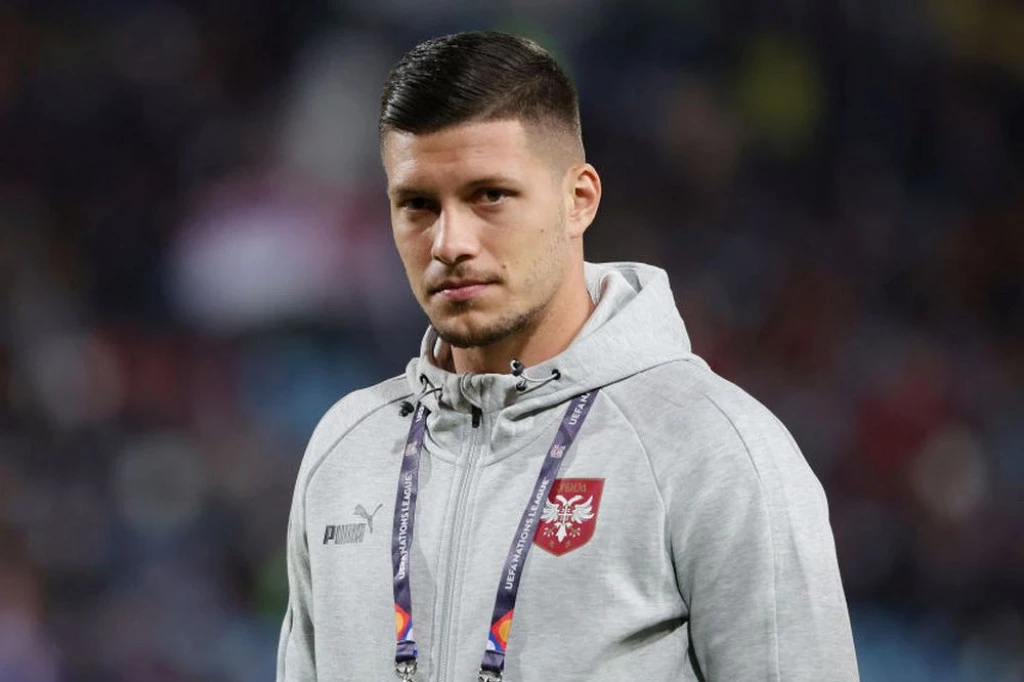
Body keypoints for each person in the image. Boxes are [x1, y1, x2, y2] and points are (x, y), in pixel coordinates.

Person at [277, 31, 859, 682]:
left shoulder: (712, 449)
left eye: (489, 196)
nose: (449, 243)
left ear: (578, 199)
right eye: (417, 204)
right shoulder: (346, 451)